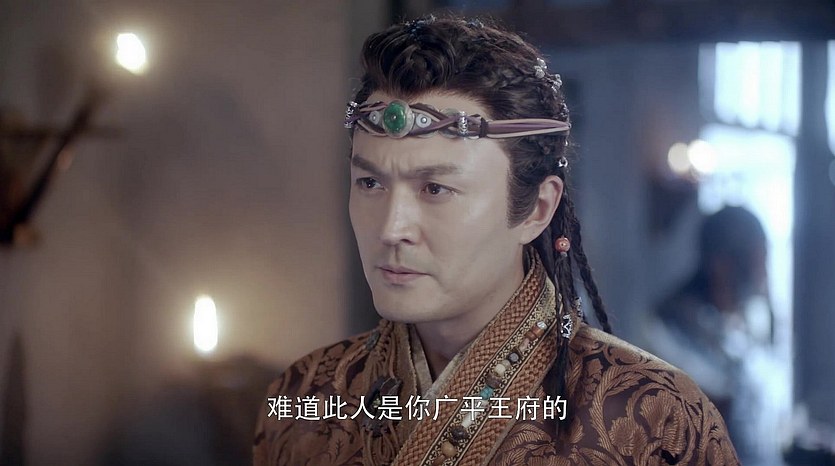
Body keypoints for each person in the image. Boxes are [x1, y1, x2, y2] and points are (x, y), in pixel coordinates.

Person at [254, 16, 739, 465]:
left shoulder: (656, 419)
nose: (390, 228)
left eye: (435, 189)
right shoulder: (304, 398)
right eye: (370, 183)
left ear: (537, 209)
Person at [649, 206, 778, 464]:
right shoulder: (667, 334)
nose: (764, 273)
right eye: (756, 261)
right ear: (722, 265)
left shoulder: (751, 322)